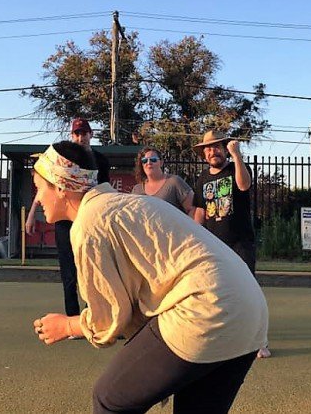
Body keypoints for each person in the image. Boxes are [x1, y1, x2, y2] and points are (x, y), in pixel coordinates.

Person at [31, 141, 268, 414]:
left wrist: (67, 326)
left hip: (205, 309)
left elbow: (107, 319)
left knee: (110, 399)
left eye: (39, 188)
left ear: (61, 187)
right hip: (251, 312)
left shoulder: (89, 223)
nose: (37, 198)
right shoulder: (130, 203)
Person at [192, 130, 271, 359]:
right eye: (207, 148)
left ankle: (259, 341)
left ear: (225, 148)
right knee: (215, 293)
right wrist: (195, 238)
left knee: (250, 292)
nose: (211, 151)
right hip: (215, 245)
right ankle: (222, 338)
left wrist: (236, 156)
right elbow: (200, 211)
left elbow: (244, 185)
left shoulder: (235, 168)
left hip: (240, 242)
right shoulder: (203, 179)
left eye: (216, 147)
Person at [26, 118, 109, 318]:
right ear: (72, 136)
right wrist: (31, 213)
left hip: (90, 220)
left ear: (91, 135)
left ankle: (99, 316)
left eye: (84, 133)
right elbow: (48, 187)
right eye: (77, 133)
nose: (81, 137)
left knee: (94, 268)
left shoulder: (101, 160)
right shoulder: (61, 158)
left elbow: (105, 191)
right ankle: (73, 317)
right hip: (65, 222)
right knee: (69, 272)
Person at [130, 146, 195, 216]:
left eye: (153, 160)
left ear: (161, 162)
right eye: (144, 160)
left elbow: (193, 209)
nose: (148, 163)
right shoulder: (137, 190)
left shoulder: (174, 182)